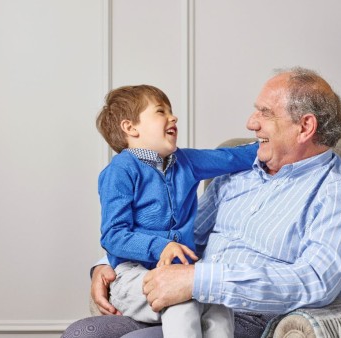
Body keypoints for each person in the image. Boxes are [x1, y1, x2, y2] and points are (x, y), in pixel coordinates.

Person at [62, 67, 341, 338]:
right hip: (186, 293)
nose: (251, 123)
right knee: (82, 333)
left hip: (248, 315)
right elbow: (187, 236)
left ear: (305, 127)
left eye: (265, 113)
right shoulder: (239, 175)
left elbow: (316, 281)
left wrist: (199, 281)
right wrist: (108, 264)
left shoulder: (338, 193)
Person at [92, 84, 258, 338]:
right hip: (133, 275)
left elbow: (229, 158)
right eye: (161, 111)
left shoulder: (186, 162)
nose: (173, 117)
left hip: (181, 270)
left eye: (171, 111)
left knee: (218, 301)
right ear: (130, 127)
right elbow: (113, 235)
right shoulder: (120, 171)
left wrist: (271, 144)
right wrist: (161, 247)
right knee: (182, 300)